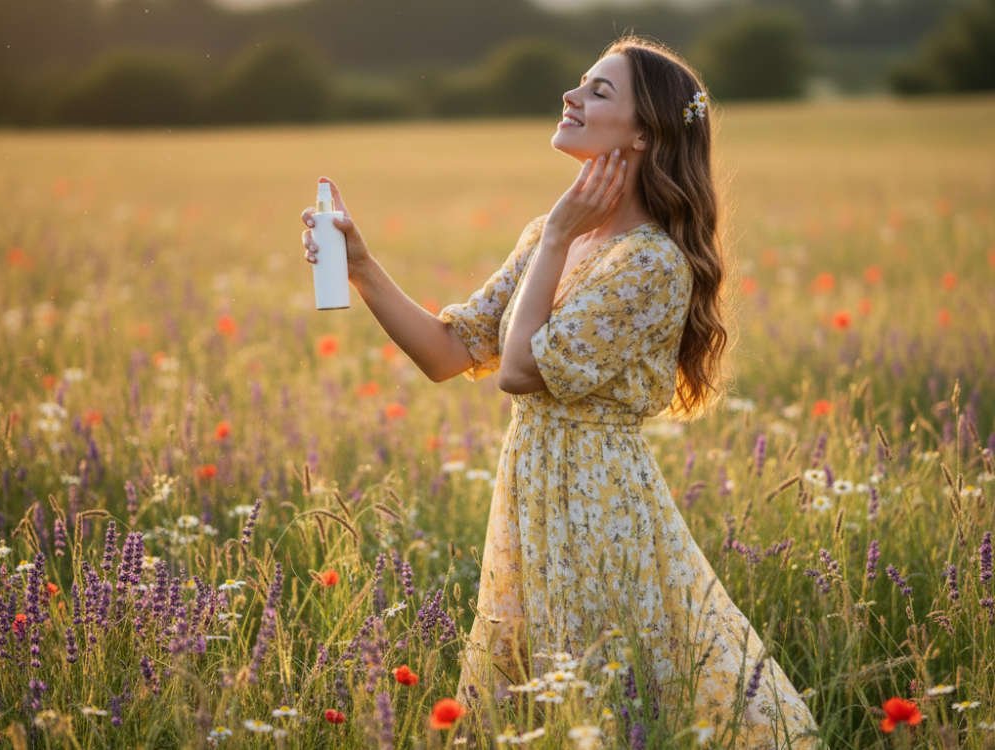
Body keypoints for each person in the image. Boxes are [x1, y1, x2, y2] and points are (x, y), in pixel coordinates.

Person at [302, 35, 822, 750]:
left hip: (598, 502)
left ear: (643, 135)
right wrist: (360, 266)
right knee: (534, 694)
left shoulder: (653, 265)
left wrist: (553, 242)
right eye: (580, 84)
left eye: (599, 91)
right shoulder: (556, 236)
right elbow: (448, 353)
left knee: (603, 690)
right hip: (531, 491)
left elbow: (518, 371)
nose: (573, 97)